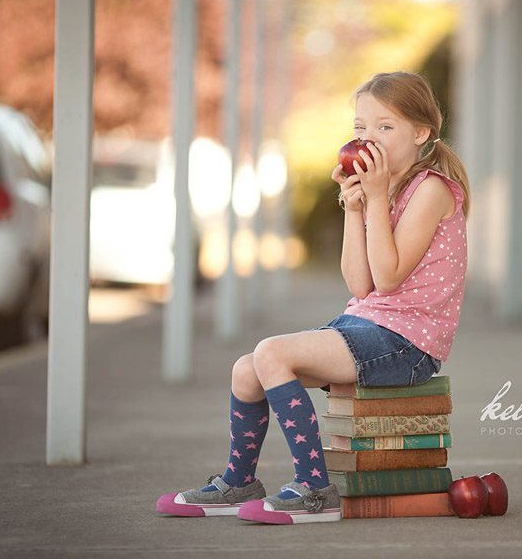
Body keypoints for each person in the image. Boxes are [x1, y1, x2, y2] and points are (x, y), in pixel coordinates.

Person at [155, 71, 471, 525]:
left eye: (385, 127)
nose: (369, 138)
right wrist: (356, 205)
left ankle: (314, 489)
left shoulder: (432, 190)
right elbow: (359, 286)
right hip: (369, 326)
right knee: (247, 370)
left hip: (407, 343)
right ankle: (239, 479)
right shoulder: (387, 190)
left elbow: (387, 278)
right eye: (361, 128)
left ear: (420, 133)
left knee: (271, 354)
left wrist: (376, 199)